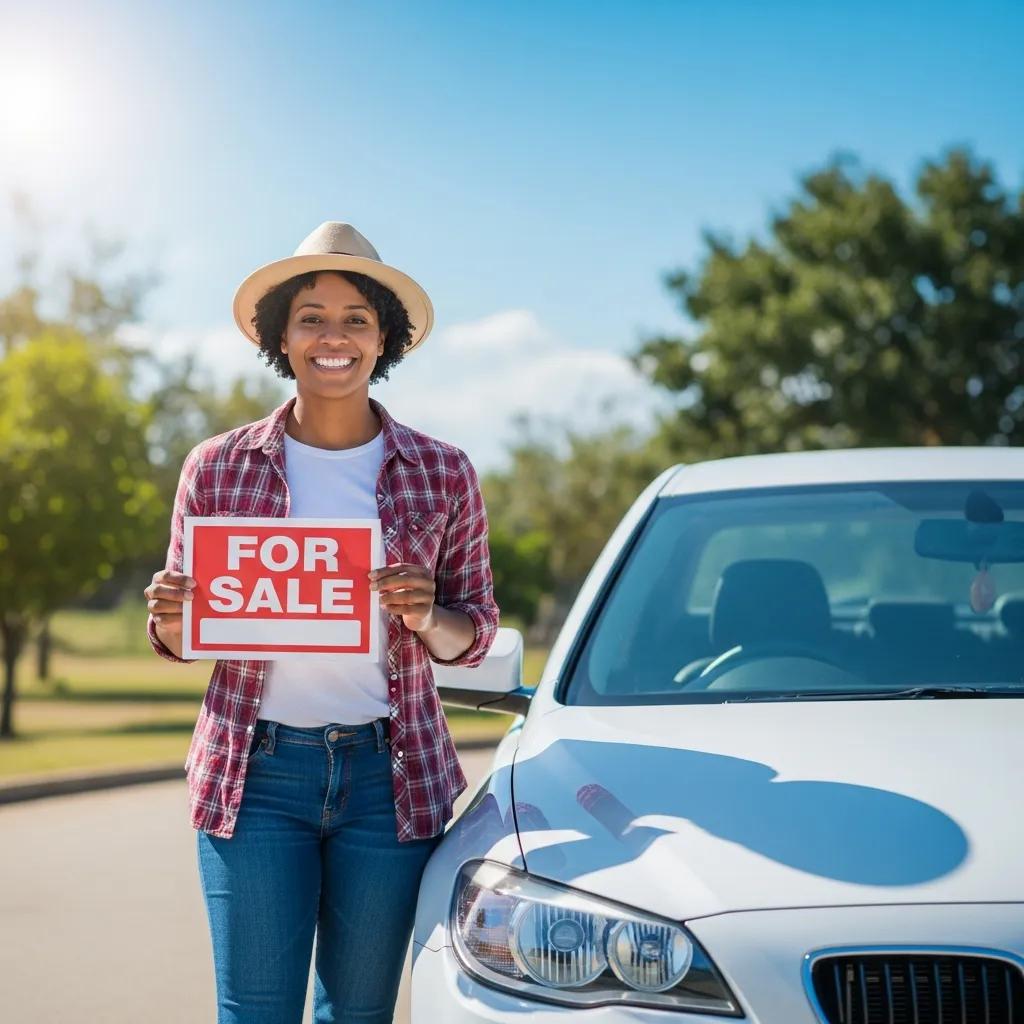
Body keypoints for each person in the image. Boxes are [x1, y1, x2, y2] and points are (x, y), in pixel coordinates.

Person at [143, 222, 500, 1023]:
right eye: (310, 316)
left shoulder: (443, 471)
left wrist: (425, 612)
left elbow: (473, 632)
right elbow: (180, 639)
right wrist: (173, 617)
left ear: (385, 341)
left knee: (359, 1015)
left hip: (391, 779)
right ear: (280, 336)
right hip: (256, 775)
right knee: (256, 1012)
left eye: (355, 319)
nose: (332, 336)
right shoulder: (218, 464)